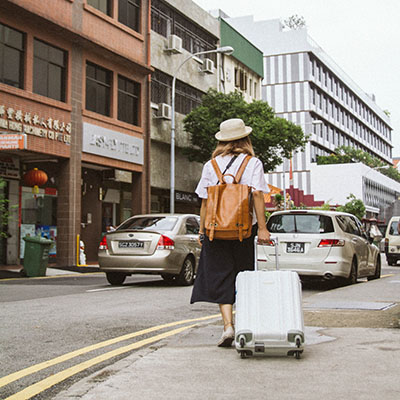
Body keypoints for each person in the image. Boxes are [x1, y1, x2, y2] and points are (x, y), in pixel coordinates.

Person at [190, 118, 271, 347]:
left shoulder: (211, 165)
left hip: (216, 229)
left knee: (219, 275)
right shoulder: (252, 163)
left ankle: (228, 326)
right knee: (242, 275)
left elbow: (205, 201)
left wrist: (203, 230)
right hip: (243, 230)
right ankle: (244, 324)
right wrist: (263, 228)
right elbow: (257, 195)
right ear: (245, 139)